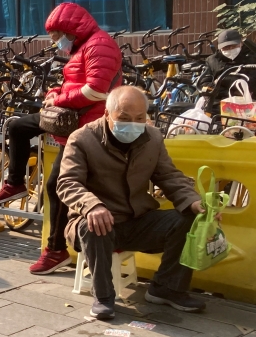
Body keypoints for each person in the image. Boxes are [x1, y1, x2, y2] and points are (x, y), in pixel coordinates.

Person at [0, 2, 122, 275]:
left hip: (87, 126)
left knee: (57, 185)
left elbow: (97, 91)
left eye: (55, 37)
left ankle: (56, 250)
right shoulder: (81, 46)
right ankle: (16, 183)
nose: (55, 43)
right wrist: (54, 92)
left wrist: (58, 99)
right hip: (68, 116)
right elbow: (74, 81)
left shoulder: (99, 45)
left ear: (70, 30)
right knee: (18, 127)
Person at [57, 86, 209, 319]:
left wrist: (194, 202)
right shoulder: (83, 139)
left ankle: (166, 288)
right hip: (94, 222)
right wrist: (92, 206)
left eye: (139, 118)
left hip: (137, 219)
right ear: (107, 115)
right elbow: (68, 183)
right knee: (94, 225)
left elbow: (169, 176)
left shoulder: (153, 138)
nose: (133, 124)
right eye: (124, 118)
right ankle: (104, 296)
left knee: (190, 218)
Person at [200, 29, 256, 100]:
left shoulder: (252, 58)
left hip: (250, 102)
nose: (230, 49)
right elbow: (204, 83)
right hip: (219, 103)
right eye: (226, 47)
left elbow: (253, 80)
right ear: (220, 48)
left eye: (233, 46)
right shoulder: (212, 60)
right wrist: (230, 93)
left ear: (241, 43)